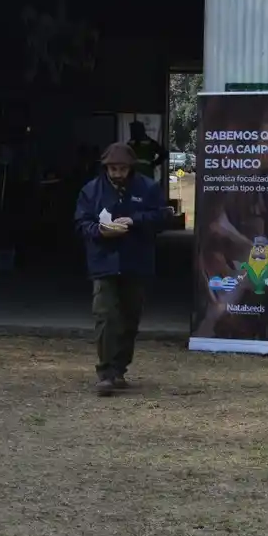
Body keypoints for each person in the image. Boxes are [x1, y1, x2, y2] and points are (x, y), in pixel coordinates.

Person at [73, 141, 171, 396]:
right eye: (112, 168)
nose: (117, 173)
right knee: (105, 315)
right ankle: (105, 373)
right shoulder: (91, 191)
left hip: (136, 261)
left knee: (129, 318)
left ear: (131, 167)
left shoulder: (148, 188)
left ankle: (119, 369)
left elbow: (163, 217)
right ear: (105, 167)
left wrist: (136, 221)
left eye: (122, 168)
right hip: (103, 261)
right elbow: (81, 223)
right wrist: (100, 231)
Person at [127, 120, 167, 186]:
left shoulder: (150, 143)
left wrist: (154, 163)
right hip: (136, 174)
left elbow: (164, 154)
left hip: (144, 174)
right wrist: (154, 163)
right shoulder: (131, 144)